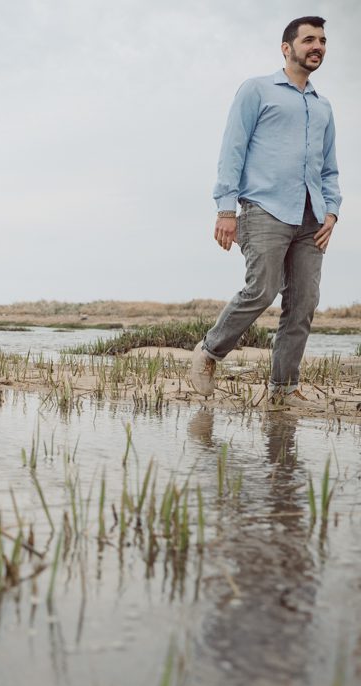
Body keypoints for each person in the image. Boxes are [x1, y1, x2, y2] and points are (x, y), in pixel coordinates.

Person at [189, 15, 341, 407]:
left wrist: (332, 212)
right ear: (286, 47)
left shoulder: (323, 107)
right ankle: (208, 352)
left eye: (322, 41)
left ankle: (283, 390)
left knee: (303, 303)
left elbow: (329, 169)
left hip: (312, 219)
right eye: (309, 40)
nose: (317, 47)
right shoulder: (256, 90)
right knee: (262, 289)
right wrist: (225, 209)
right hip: (264, 208)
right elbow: (233, 148)